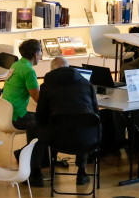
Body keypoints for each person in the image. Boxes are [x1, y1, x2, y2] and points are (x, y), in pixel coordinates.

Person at [32, 56, 100, 187]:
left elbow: (41, 114)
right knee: (83, 124)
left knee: (39, 128)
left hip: (57, 140)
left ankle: (36, 173)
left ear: (52, 70)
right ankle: (81, 172)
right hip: (86, 140)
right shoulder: (86, 83)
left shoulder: (46, 86)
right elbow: (95, 111)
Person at [2, 38, 42, 131]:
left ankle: (32, 145)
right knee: (46, 121)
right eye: (40, 52)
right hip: (17, 117)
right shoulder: (29, 71)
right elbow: (38, 99)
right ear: (36, 54)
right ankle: (35, 145)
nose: (41, 55)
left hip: (6, 114)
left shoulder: (16, 64)